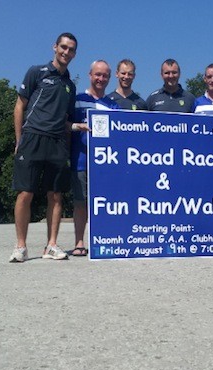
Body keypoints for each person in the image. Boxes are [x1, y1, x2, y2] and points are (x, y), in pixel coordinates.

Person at [9, 32, 85, 263]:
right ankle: (21, 247)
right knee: (25, 193)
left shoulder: (70, 86)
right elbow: (19, 106)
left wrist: (76, 127)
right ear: (54, 47)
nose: (66, 52)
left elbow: (65, 120)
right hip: (32, 138)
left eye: (71, 49)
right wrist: (19, 140)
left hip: (57, 143)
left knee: (56, 195)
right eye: (63, 47)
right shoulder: (37, 72)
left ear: (75, 53)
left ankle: (51, 245)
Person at [70, 60, 120, 256]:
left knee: (105, 203)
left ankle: (107, 239)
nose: (101, 79)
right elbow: (66, 126)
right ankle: (79, 242)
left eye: (105, 75)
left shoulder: (113, 105)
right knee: (80, 202)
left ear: (109, 78)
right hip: (80, 159)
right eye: (97, 74)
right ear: (90, 75)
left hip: (105, 163)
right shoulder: (77, 100)